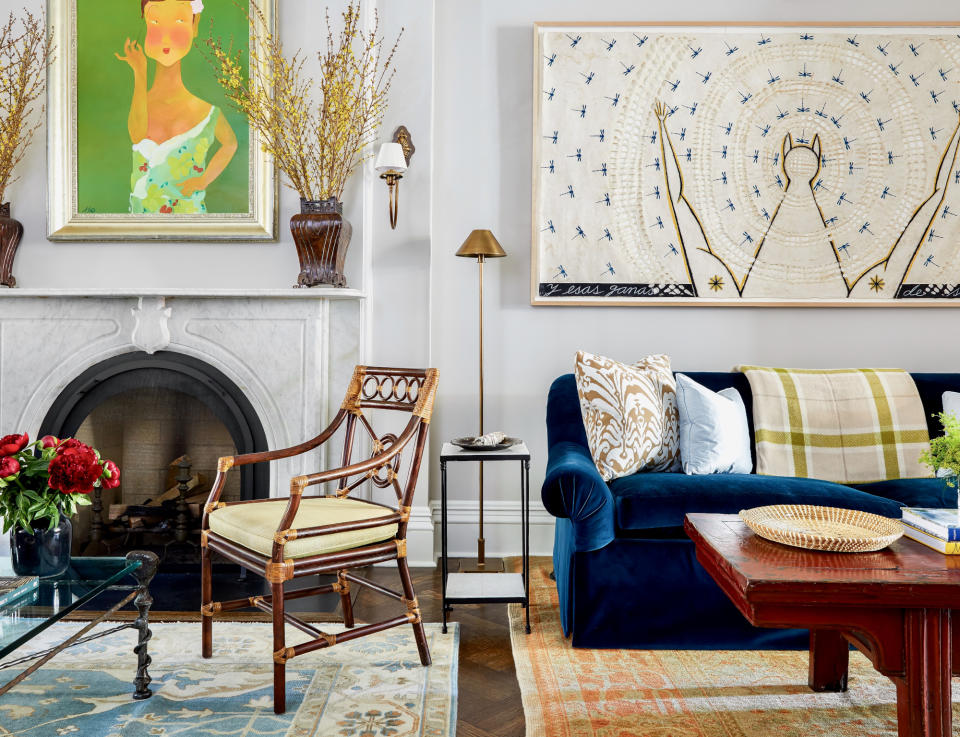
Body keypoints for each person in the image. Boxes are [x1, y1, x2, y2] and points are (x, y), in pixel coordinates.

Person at [116, 0, 237, 214]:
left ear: (194, 24)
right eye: (155, 22)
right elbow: (136, 135)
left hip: (192, 226)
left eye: (179, 21)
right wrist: (139, 72)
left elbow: (230, 144)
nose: (165, 36)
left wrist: (203, 180)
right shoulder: (142, 105)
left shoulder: (208, 112)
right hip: (139, 230)